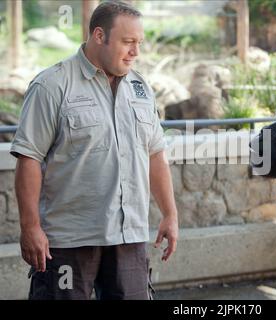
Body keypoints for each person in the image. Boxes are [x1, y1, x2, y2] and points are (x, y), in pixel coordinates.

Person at [10, 1, 178, 300]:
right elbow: (29, 158)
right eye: (128, 42)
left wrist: (170, 214)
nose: (135, 52)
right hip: (68, 241)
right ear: (99, 36)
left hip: (129, 236)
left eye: (139, 43)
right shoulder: (52, 85)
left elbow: (155, 153)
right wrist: (30, 227)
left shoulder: (141, 88)